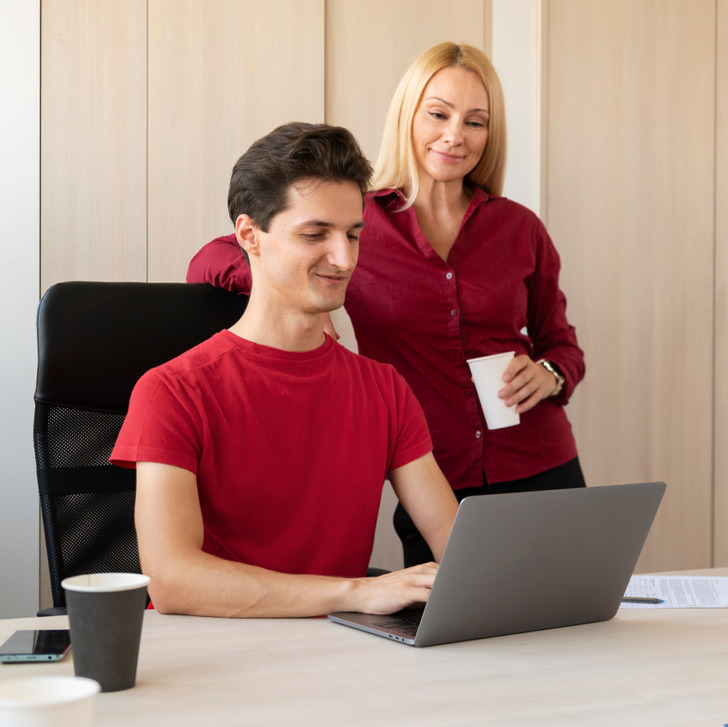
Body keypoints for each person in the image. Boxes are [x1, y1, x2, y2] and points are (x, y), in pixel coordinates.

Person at [186, 42, 586, 568]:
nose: (455, 135)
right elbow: (212, 259)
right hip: (430, 474)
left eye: (475, 122)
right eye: (438, 114)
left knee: (575, 605)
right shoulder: (353, 223)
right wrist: (315, 303)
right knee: (458, 609)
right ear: (408, 116)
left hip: (541, 458)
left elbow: (562, 344)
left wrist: (550, 374)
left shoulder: (519, 227)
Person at [111, 122, 458, 618]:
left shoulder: (385, 389)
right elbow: (172, 581)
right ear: (249, 235)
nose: (344, 259)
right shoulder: (172, 390)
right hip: (212, 651)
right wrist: (355, 593)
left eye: (353, 235)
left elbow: (456, 545)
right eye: (315, 234)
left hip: (339, 649)